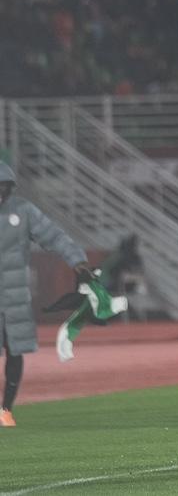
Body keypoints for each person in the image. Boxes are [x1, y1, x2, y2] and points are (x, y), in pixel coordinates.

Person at [0, 162, 94, 427]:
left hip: (15, 298)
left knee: (15, 350)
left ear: (10, 187)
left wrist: (77, 261)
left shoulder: (23, 211)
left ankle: (6, 409)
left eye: (3, 187)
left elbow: (55, 236)